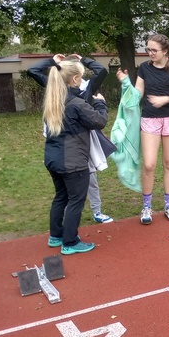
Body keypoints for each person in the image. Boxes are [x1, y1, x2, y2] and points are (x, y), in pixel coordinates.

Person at [116, 34, 169, 224]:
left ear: (165, 51)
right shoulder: (144, 68)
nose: (149, 53)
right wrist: (126, 83)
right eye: (147, 49)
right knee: (149, 164)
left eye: (153, 50)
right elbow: (137, 95)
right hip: (150, 119)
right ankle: (146, 207)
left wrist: (166, 99)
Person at [27, 54, 114, 224]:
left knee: (90, 178)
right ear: (72, 77)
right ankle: (69, 220)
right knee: (71, 188)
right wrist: (53, 61)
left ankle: (96, 211)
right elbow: (32, 71)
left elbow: (101, 71)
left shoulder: (86, 88)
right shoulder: (55, 87)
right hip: (66, 139)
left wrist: (83, 60)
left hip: (83, 136)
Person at [42, 60, 108, 254]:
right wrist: (100, 103)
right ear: (75, 79)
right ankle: (70, 241)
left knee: (61, 197)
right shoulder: (77, 103)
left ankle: (56, 235)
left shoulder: (52, 102)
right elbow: (99, 121)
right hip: (73, 162)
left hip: (53, 159)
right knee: (76, 201)